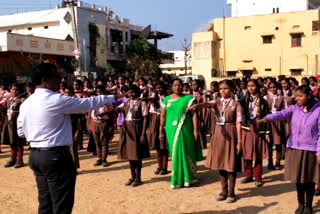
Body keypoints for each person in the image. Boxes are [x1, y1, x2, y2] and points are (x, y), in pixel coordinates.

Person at [17, 63, 123, 214]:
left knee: (45, 203)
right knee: (62, 205)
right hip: (55, 156)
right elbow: (87, 104)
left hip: (36, 155)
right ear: (46, 80)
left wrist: (37, 134)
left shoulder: (26, 103)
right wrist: (113, 97)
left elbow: (21, 132)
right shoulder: (55, 99)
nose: (60, 80)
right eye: (57, 76)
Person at [260, 85, 320, 214]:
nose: (297, 99)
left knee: (309, 180)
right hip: (294, 149)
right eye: (296, 96)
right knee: (298, 179)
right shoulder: (295, 108)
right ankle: (300, 204)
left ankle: (308, 206)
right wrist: (267, 118)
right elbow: (281, 114)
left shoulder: (318, 110)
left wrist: (319, 152)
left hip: (310, 150)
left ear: (309, 96)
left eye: (300, 96)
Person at [191, 80, 242, 203]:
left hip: (231, 133)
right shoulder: (217, 102)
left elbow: (238, 123)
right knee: (221, 163)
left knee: (230, 164)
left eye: (226, 89)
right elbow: (207, 104)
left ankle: (231, 192)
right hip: (219, 133)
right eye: (221, 89)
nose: (223, 91)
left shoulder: (236, 104)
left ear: (231, 90)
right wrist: (197, 106)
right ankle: (223, 191)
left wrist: (239, 141)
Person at [160, 79, 203, 189]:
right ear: (171, 87)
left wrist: (195, 130)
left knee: (187, 151)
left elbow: (194, 115)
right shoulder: (166, 99)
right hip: (171, 130)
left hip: (185, 129)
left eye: (179, 85)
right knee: (175, 152)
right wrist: (161, 129)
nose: (177, 87)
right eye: (175, 85)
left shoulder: (188, 99)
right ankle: (178, 179)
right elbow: (163, 116)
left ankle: (190, 177)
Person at [239, 79, 270, 187]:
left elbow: (267, 117)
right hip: (247, 128)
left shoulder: (263, 101)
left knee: (258, 154)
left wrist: (267, 132)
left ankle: (258, 177)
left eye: (253, 86)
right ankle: (248, 175)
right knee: (247, 153)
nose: (250, 88)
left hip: (259, 129)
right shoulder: (243, 100)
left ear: (257, 87)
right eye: (248, 86)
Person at [118, 84, 150, 187]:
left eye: (133, 92)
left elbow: (145, 118)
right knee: (130, 155)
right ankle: (132, 176)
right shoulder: (126, 102)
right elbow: (118, 109)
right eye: (130, 92)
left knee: (137, 155)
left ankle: (138, 177)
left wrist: (143, 134)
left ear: (137, 92)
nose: (131, 94)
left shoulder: (142, 103)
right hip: (127, 129)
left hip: (137, 128)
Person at [147, 83, 169, 175]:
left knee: (164, 145)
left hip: (165, 119)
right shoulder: (154, 97)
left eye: (160, 87)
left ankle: (164, 167)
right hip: (156, 119)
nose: (159, 89)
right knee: (157, 145)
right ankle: (159, 166)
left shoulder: (168, 98)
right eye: (157, 88)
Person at [91, 85, 115, 167]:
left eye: (101, 92)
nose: (99, 93)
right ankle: (99, 158)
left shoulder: (107, 101)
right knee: (97, 142)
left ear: (104, 92)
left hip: (103, 123)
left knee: (104, 141)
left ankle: (104, 159)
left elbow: (111, 111)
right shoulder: (93, 100)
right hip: (94, 122)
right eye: (98, 92)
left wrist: (111, 125)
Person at [264, 80, 285, 170]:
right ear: (268, 88)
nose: (273, 89)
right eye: (271, 87)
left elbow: (284, 110)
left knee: (278, 143)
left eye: (274, 87)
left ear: (277, 88)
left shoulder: (281, 97)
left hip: (278, 121)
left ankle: (277, 162)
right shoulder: (265, 97)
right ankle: (270, 162)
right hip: (269, 121)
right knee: (269, 143)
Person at [4, 84, 25, 168]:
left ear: (19, 91)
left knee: (19, 141)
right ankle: (13, 159)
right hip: (10, 122)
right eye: (12, 89)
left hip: (18, 122)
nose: (14, 91)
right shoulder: (9, 99)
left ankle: (20, 160)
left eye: (16, 90)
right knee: (12, 141)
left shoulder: (22, 100)